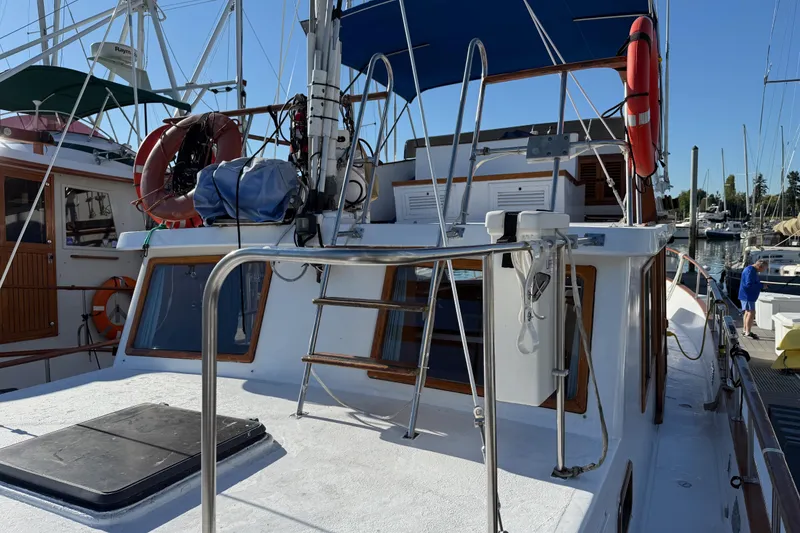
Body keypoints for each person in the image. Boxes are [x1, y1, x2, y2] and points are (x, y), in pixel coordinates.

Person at [739, 259, 767, 339]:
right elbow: (749, 284)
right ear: (759, 266)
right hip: (748, 295)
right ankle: (747, 332)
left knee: (747, 312)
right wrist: (761, 286)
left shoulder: (750, 270)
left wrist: (760, 284)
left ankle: (745, 330)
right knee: (751, 312)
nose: (764, 270)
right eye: (764, 269)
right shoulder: (750, 271)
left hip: (746, 295)